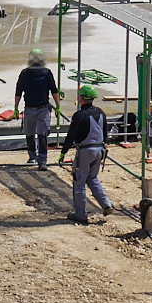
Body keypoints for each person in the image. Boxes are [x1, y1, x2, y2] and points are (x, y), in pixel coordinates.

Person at [58, 85, 116, 224]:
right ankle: (106, 204)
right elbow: (105, 133)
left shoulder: (80, 115)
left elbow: (71, 135)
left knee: (79, 183)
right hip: (99, 150)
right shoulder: (101, 113)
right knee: (92, 178)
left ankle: (81, 214)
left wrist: (63, 152)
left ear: (81, 98)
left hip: (85, 152)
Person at [13, 49, 60, 170]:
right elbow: (18, 91)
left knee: (42, 134)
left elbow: (54, 90)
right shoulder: (25, 74)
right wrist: (16, 107)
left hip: (43, 108)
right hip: (29, 108)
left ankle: (42, 160)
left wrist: (58, 105)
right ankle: (32, 156)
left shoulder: (46, 73)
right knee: (29, 134)